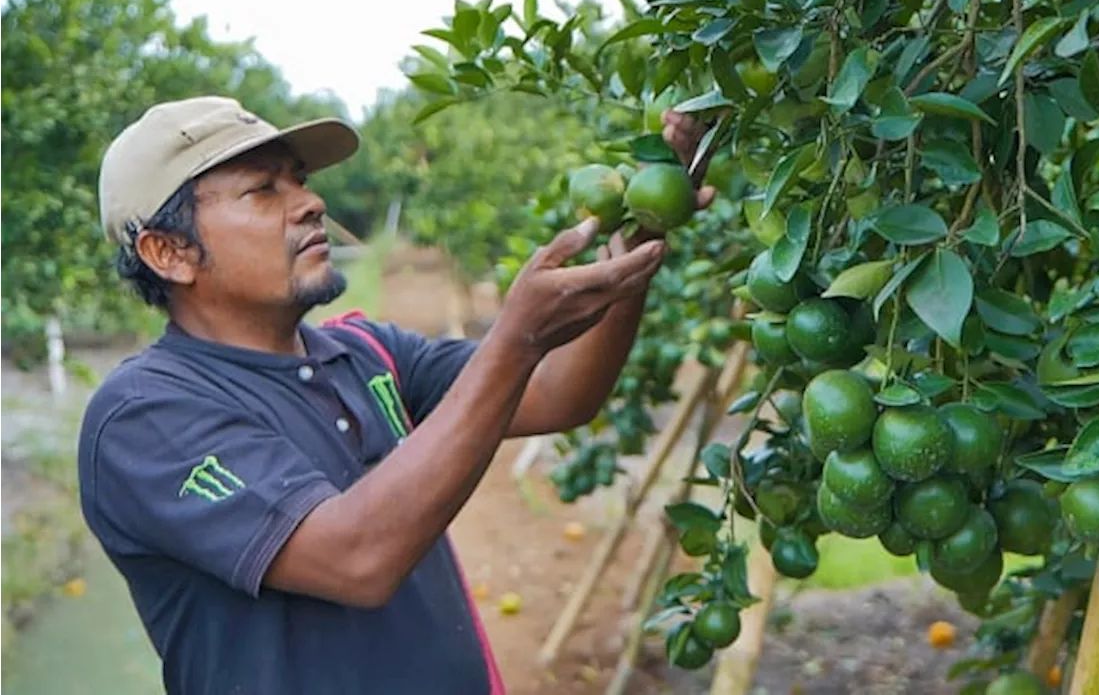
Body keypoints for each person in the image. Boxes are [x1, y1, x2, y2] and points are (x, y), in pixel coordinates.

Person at [77, 95, 718, 694]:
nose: (309, 202)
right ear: (169, 252)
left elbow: (558, 395)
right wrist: (515, 339)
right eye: (264, 188)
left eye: (299, 179)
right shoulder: (146, 416)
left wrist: (637, 239)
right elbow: (356, 559)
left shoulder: (365, 353)